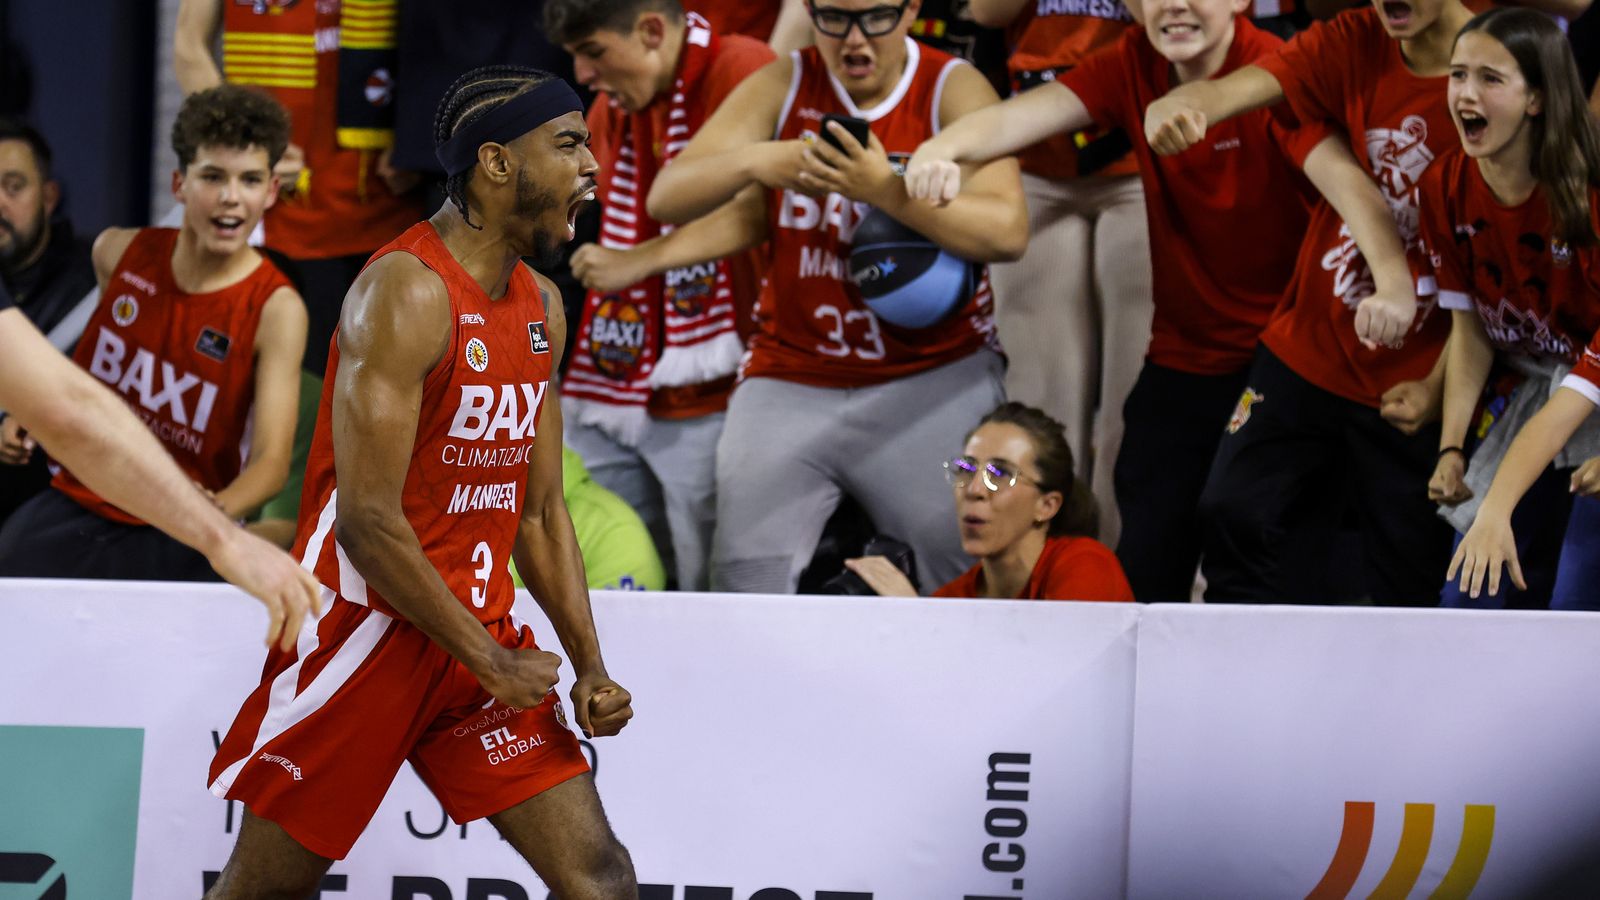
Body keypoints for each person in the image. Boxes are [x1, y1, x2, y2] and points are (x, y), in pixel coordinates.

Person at [205, 66, 635, 896]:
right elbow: (367, 522)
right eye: (570, 142)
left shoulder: (543, 303)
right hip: (366, 638)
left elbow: (540, 514)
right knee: (262, 892)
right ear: (497, 163)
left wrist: (588, 664)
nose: (593, 166)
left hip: (477, 641)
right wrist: (490, 659)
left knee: (601, 879)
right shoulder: (403, 291)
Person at [908, 0, 1351, 601]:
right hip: (1186, 354)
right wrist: (941, 149)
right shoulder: (1133, 61)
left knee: (1241, 524)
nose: (1172, 4)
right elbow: (1027, 116)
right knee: (1140, 545)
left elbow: (1354, 196)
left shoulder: (1278, 69)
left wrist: (1394, 289)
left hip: (1282, 355)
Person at [1143, 0, 1474, 604]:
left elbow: (1498, 281)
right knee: (1230, 510)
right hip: (1307, 349)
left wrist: (1437, 387)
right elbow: (1232, 93)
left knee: (1410, 573)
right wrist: (1178, 104)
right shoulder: (1352, 38)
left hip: (1419, 375)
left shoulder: (1495, 66)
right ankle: (1245, 683)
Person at [0, 85, 307, 582]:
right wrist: (27, 414)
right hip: (81, 500)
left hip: (183, 525)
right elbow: (87, 376)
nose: (231, 196)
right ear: (179, 183)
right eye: (213, 177)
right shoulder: (116, 253)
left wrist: (212, 515)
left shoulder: (277, 308)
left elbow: (271, 464)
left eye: (250, 179)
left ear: (270, 190)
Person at [547, 0, 774, 591]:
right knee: (603, 553)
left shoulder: (743, 67)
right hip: (617, 379)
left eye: (594, 53)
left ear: (651, 31)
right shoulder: (621, 100)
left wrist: (635, 263)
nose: (584, 75)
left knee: (708, 578)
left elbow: (760, 211)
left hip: (720, 376)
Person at [0, 281, 321, 648]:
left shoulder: (281, 333)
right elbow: (68, 411)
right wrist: (223, 536)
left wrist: (221, 523)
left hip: (173, 523)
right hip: (117, 512)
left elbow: (273, 476)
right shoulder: (122, 257)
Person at [1419, 8, 1600, 607]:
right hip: (1542, 386)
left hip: (1589, 388)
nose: (1466, 93)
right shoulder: (1443, 186)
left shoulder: (1590, 197)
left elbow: (1583, 386)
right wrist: (1451, 448)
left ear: (1538, 100)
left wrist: (1495, 504)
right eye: (1457, 74)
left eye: (1491, 79)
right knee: (1465, 592)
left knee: (1575, 600)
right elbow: (1471, 327)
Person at [968, 0, 1153, 547]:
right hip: (1038, 156)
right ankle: (1039, 568)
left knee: (1133, 400)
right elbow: (988, 12)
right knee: (1042, 399)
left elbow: (1169, 18)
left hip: (1143, 158)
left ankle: (1120, 574)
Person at [175, 0, 423, 379]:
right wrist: (247, 139)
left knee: (393, 385)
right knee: (297, 387)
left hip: (391, 194)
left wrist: (417, 134)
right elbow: (189, 44)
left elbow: (454, 28)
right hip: (287, 207)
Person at [845, 402, 1134, 600]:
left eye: (1000, 473)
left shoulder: (1086, 567)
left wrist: (919, 622)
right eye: (967, 469)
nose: (974, 490)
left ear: (1047, 505)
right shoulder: (952, 599)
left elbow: (1047, 677)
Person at [0, 118, 97, 524]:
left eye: (14, 186)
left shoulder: (93, 285)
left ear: (49, 196)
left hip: (54, 509)